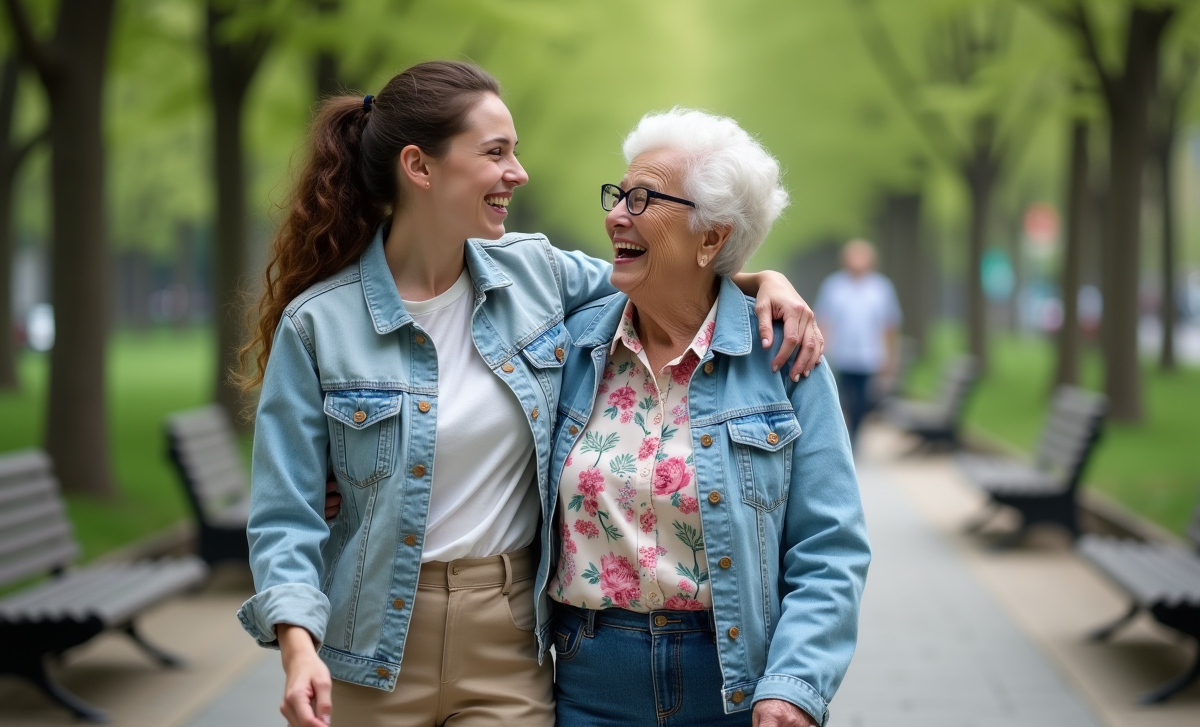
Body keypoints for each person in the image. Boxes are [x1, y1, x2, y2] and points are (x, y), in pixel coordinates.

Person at [236, 61, 824, 727]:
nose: (518, 172)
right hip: (368, 644)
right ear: (419, 166)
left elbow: (666, 275)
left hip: (508, 641)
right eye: (495, 153)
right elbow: (285, 515)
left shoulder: (536, 275)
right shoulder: (318, 324)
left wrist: (763, 281)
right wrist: (298, 650)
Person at [540, 108, 871, 726]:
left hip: (735, 687)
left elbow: (830, 546)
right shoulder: (572, 347)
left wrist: (795, 683)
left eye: (643, 199)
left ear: (712, 238)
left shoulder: (783, 358)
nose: (616, 215)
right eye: (618, 194)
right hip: (588, 681)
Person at [815, 239, 901, 449]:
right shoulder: (834, 286)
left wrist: (890, 357)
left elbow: (889, 325)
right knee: (841, 397)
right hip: (840, 353)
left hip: (869, 355)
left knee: (862, 400)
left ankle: (855, 436)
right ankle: (842, 433)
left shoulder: (881, 288)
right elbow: (824, 319)